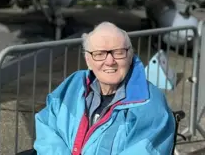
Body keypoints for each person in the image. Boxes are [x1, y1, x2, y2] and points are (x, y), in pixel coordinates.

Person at [33, 21, 176, 155]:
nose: (109, 61)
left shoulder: (150, 104)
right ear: (88, 61)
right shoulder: (73, 84)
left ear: (130, 55)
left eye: (118, 52)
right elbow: (46, 125)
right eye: (99, 54)